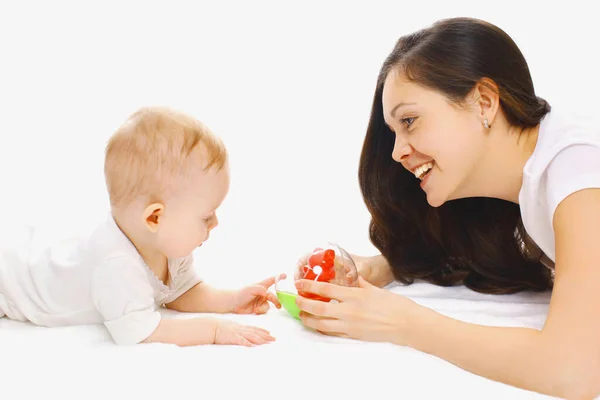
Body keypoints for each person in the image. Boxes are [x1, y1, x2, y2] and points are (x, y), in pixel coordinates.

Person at [293, 17, 600, 398]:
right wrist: (385, 267)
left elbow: (572, 372)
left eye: (410, 121)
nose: (396, 152)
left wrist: (402, 322)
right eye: (393, 132)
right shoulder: (541, 178)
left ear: (484, 102)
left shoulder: (578, 172)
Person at [0, 107, 283, 347]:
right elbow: (139, 331)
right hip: (10, 284)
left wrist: (232, 300)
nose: (216, 223)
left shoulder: (167, 245)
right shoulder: (115, 263)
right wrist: (215, 330)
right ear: (154, 218)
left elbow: (181, 293)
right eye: (206, 216)